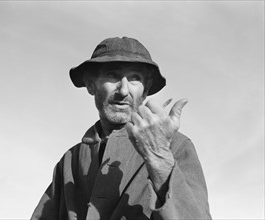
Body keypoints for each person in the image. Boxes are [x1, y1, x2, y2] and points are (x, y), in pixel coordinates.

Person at [31, 37, 211, 220]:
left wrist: (159, 157)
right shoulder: (70, 160)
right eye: (112, 76)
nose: (124, 90)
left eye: (135, 78)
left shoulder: (177, 146)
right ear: (91, 85)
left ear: (145, 90)